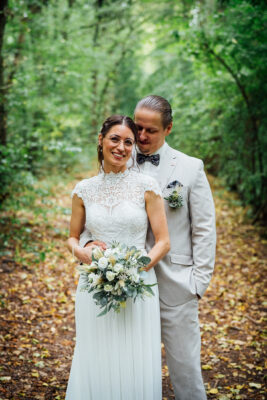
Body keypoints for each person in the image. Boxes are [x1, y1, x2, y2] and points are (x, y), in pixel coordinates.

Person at [81, 96, 216, 400]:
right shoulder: (120, 155)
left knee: (185, 371)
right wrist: (88, 242)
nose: (140, 137)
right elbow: (99, 208)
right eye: (138, 127)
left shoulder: (190, 168)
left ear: (168, 128)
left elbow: (205, 228)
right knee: (127, 366)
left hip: (176, 286)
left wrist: (198, 283)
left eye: (150, 131)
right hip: (123, 285)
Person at [66, 114, 170, 400]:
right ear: (101, 141)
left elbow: (163, 242)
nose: (121, 147)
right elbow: (72, 237)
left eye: (128, 142)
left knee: (134, 354)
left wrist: (136, 269)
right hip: (93, 284)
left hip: (138, 283)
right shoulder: (83, 190)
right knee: (96, 352)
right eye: (115, 139)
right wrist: (81, 251)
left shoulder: (146, 186)